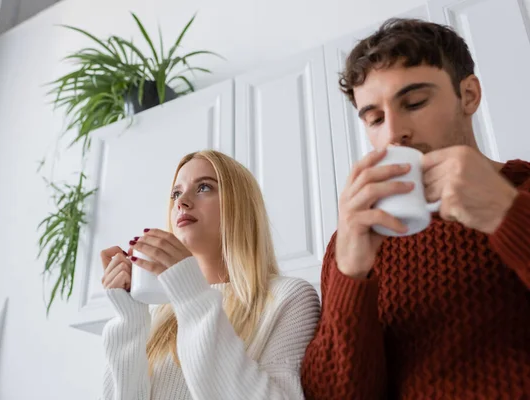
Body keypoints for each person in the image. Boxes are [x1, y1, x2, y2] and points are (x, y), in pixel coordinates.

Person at [300, 18, 530, 399]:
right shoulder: (356, 240)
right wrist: (350, 276)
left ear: (469, 95)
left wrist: (508, 216)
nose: (393, 133)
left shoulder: (522, 191)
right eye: (374, 118)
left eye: (415, 102)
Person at [99, 150, 320, 400]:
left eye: (204, 187)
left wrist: (192, 295)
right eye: (176, 193)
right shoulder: (158, 313)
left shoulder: (288, 297)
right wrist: (129, 316)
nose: (181, 202)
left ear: (241, 203)